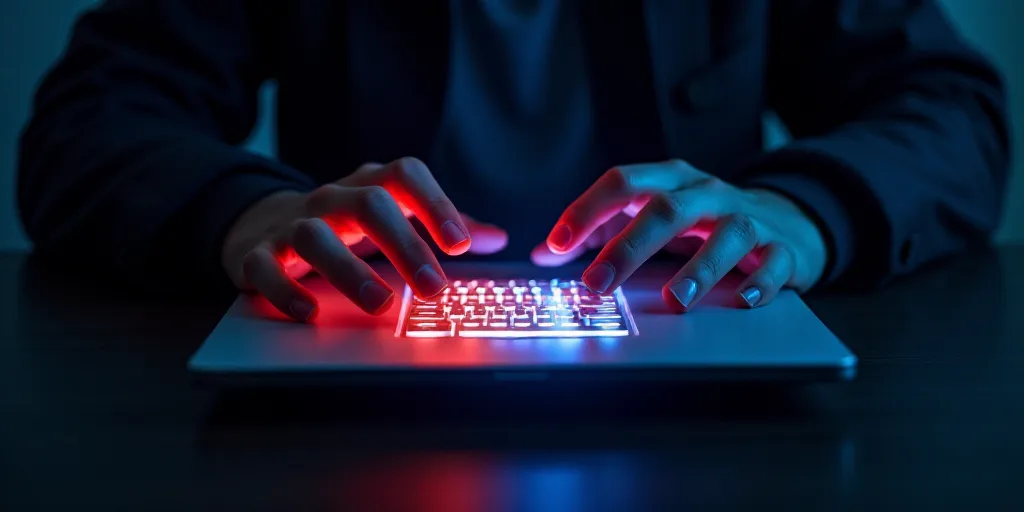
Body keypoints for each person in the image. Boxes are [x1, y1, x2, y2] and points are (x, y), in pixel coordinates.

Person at [18, 0, 1009, 322]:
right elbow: (91, 118)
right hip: (353, 340)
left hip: (691, 328)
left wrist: (803, 213)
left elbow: (949, 108)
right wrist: (241, 212)